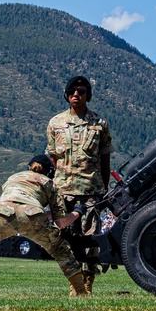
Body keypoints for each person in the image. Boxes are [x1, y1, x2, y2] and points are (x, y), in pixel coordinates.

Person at [0, 155, 89, 296]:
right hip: (33, 215)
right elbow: (60, 222)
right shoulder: (50, 183)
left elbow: (16, 206)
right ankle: (80, 291)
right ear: (50, 171)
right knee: (60, 250)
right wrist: (77, 212)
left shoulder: (13, 177)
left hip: (1, 213)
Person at [47, 75, 113, 295]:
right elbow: (54, 157)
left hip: (90, 191)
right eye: (72, 91)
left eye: (81, 91)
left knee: (90, 238)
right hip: (63, 192)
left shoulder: (100, 124)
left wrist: (103, 188)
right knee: (66, 241)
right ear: (66, 95)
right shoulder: (55, 123)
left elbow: (105, 160)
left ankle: (87, 284)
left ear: (88, 95)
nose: (76, 94)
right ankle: (73, 284)